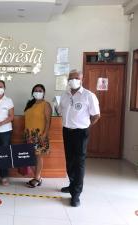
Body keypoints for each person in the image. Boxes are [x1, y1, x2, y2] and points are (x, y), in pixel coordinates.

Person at [59, 69, 100, 207]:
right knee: (69, 160)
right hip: (66, 131)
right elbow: (61, 111)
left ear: (81, 79)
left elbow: (96, 115)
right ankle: (72, 185)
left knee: (79, 163)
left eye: (76, 77)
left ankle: (76, 194)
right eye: (70, 78)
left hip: (80, 132)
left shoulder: (89, 95)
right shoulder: (64, 95)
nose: (73, 80)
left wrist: (86, 125)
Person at [24, 84, 52, 188]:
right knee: (29, 157)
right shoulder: (30, 104)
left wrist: (45, 134)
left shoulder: (46, 104)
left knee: (38, 156)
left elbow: (49, 121)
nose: (38, 92)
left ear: (44, 93)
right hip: (28, 135)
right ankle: (38, 177)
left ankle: (36, 178)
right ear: (32, 93)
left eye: (40, 90)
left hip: (39, 135)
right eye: (36, 90)